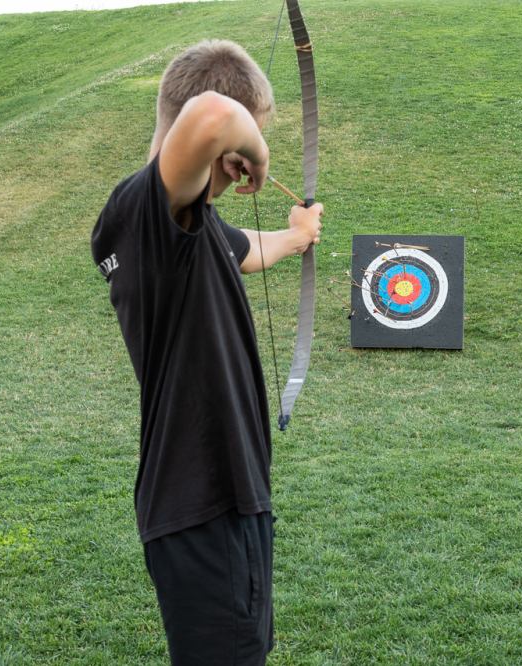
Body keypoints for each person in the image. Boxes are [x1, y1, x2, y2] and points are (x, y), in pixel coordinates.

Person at [90, 40, 323, 665]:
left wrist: (296, 236)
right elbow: (213, 114)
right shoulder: (144, 210)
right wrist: (258, 150)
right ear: (228, 151)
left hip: (214, 499)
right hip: (206, 499)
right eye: (249, 142)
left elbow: (242, 249)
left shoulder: (184, 226)